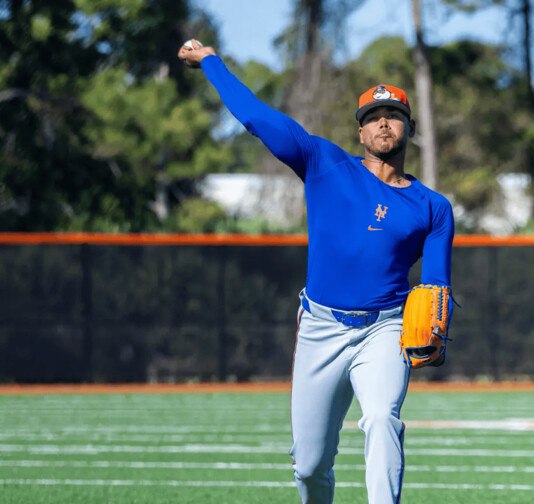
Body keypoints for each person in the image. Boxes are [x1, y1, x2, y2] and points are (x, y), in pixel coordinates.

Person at [177, 41, 454, 504]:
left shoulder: (433, 206)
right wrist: (211, 61)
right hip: (320, 328)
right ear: (360, 132)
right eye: (372, 116)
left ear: (409, 127)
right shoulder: (324, 163)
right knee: (309, 466)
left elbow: (436, 283)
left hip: (384, 330)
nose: (382, 121)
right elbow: (257, 118)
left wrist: (438, 330)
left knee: (383, 418)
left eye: (393, 114)